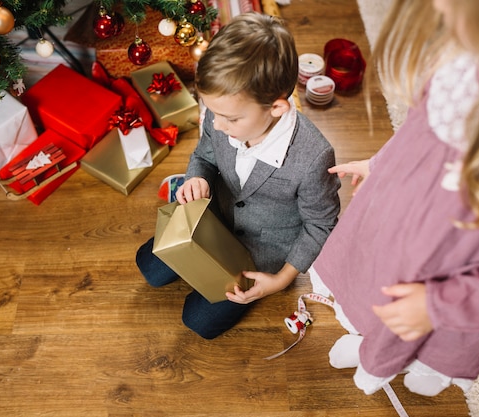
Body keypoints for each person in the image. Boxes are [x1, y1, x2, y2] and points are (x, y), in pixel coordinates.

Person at [309, 0, 479, 397]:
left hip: (453, 279)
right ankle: (372, 346)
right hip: (396, 231)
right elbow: (419, 134)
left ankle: (427, 368)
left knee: (424, 333)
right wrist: (380, 164)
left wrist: (437, 305)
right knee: (376, 294)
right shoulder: (461, 57)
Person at [136, 12, 341, 339]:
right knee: (148, 267)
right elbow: (204, 154)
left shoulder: (314, 156)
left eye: (228, 118)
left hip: (263, 250)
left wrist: (282, 280)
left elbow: (321, 224)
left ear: (276, 108)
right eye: (211, 112)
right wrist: (196, 177)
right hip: (213, 218)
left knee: (199, 322)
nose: (216, 125)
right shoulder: (221, 115)